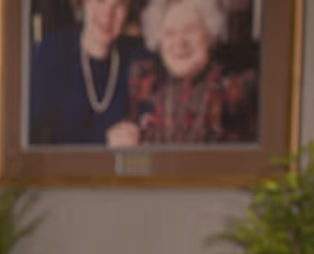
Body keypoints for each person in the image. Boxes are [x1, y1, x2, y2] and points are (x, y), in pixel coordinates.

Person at [108, 0, 258, 146]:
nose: (179, 42)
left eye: (190, 30)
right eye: (170, 33)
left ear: (210, 33)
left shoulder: (235, 89)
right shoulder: (146, 82)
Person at [26, 0, 149, 146]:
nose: (107, 14)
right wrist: (103, 142)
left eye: (119, 5)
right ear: (83, 3)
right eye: (100, 1)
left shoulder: (136, 56)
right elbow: (34, 139)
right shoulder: (52, 52)